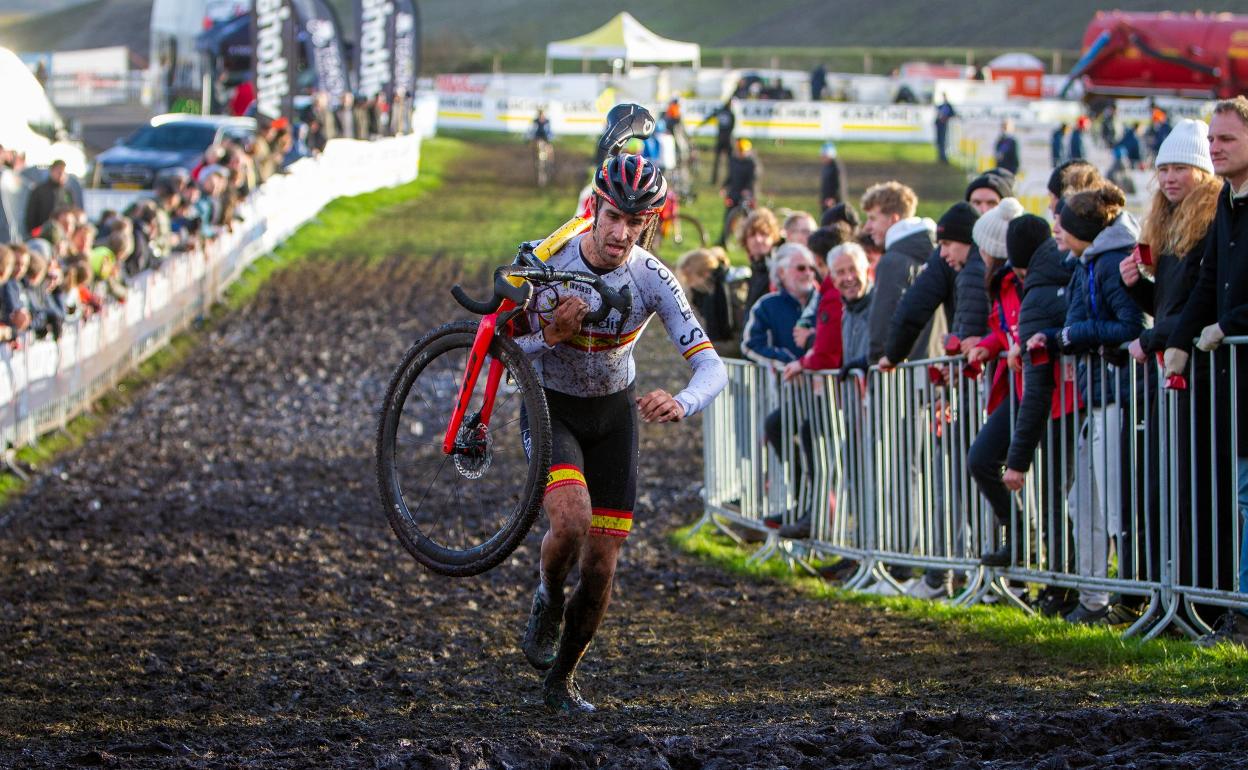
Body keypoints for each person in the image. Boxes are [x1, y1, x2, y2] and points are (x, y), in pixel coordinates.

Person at [517, 152, 728, 711]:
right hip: (552, 407)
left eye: (636, 223)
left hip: (612, 417)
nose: (621, 232)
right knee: (571, 520)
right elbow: (503, 350)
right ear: (594, 208)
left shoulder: (652, 277)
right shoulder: (549, 260)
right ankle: (545, 597)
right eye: (613, 216)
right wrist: (550, 336)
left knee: (603, 564)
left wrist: (681, 401)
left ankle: (561, 679)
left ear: (649, 224)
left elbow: (713, 366)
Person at [1119, 118, 1229, 632]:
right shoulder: (1169, 225)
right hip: (1173, 365)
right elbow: (1170, 308)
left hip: (1204, 372)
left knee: (1200, 486)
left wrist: (1155, 339)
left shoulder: (1211, 223)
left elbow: (1194, 307)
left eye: (1180, 167)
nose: (1169, 177)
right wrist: (1137, 289)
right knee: (1170, 483)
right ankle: (1176, 592)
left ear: (1201, 171)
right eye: (1163, 168)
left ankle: (1203, 598)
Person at [1029, 182, 1143, 625]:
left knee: (1116, 508)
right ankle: (1094, 599)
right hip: (1096, 398)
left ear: (1084, 229)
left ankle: (1131, 599)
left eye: (1063, 224)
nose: (1056, 231)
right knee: (1083, 503)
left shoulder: (1111, 262)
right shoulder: (1087, 262)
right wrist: (1057, 339)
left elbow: (1132, 325)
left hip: (1116, 397)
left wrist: (1073, 337)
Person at [1163, 97, 1248, 646]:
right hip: (1236, 377)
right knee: (1242, 496)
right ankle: (1240, 614)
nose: (1215, 147)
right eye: (1213, 140)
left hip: (1238, 353)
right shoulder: (1228, 205)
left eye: (1227, 140)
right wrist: (1179, 340)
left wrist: (1230, 323)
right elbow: (1208, 280)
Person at [720, 138, 758, 245]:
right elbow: (731, 176)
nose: (741, 153)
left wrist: (747, 190)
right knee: (728, 218)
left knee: (750, 219)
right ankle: (724, 239)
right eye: (739, 150)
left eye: (743, 150)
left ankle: (750, 241)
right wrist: (724, 187)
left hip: (747, 195)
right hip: (734, 193)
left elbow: (753, 179)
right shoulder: (733, 160)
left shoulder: (752, 163)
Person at [24, 160, 75, 239]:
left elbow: (71, 211)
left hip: (62, 236)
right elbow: (31, 216)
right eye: (59, 172)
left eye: (63, 173)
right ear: (51, 171)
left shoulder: (67, 192)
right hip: (42, 234)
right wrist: (34, 234)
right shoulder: (39, 190)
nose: (61, 175)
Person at [700, 97, 737, 185]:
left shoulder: (720, 111)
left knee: (717, 161)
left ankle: (714, 180)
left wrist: (702, 123)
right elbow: (733, 126)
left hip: (720, 138)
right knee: (730, 162)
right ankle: (729, 180)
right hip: (728, 139)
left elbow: (710, 116)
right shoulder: (731, 113)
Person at [819, 142, 847, 213]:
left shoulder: (835, 167)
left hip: (834, 203)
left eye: (824, 156)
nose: (822, 158)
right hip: (826, 201)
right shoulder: (826, 167)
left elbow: (838, 185)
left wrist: (833, 198)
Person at [934, 94, 956, 164]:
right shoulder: (940, 106)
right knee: (939, 141)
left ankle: (943, 156)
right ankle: (941, 156)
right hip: (939, 125)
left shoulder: (948, 106)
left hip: (944, 125)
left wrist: (946, 118)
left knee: (943, 141)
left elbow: (952, 114)